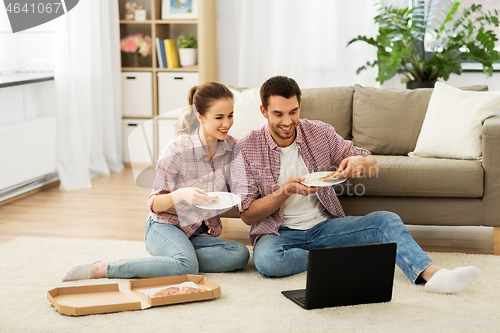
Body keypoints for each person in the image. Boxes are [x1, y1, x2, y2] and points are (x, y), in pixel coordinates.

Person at [230, 75, 480, 294]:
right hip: (279, 236)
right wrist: (286, 190)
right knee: (267, 262)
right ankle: (341, 259)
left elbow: (371, 163)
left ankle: (434, 276)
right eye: (278, 114)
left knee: (386, 220)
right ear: (264, 112)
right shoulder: (246, 148)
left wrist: (358, 162)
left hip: (324, 227)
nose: (287, 121)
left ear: (299, 106)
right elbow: (248, 215)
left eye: (293, 112)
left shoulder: (319, 133)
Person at [62, 82, 249, 281]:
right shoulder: (177, 149)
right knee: (188, 267)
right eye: (219, 117)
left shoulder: (231, 147)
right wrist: (181, 194)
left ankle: (173, 259)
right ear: (200, 117)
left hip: (196, 232)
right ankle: (104, 268)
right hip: (164, 226)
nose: (227, 123)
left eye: (230, 115)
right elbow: (154, 205)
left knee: (240, 254)